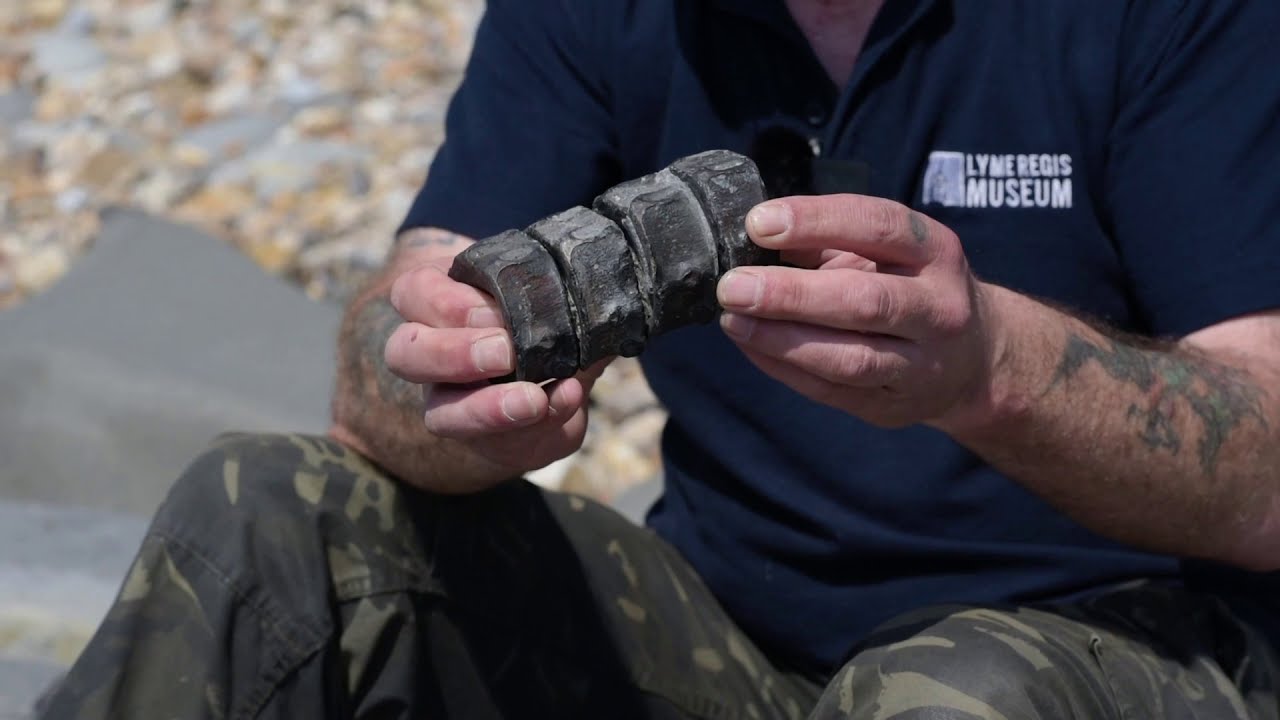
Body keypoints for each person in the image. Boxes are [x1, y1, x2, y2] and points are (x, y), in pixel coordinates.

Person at [39, 0, 1280, 717]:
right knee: (264, 511)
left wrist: (988, 371)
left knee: (943, 697)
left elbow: (1266, 475)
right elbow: (382, 362)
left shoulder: (1171, 15)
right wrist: (436, 380)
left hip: (1116, 649)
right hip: (732, 644)